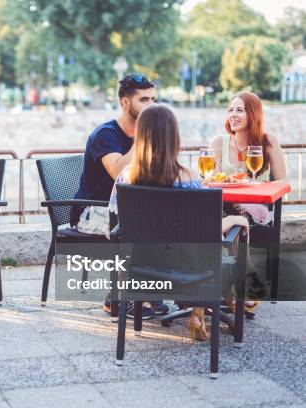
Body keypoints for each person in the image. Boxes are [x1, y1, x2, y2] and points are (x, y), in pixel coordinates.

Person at [108, 104, 249, 342]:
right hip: (188, 269)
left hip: (143, 268)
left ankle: (194, 313)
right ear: (174, 137)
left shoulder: (126, 177)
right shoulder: (188, 177)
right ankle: (198, 312)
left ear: (140, 136)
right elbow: (207, 229)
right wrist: (236, 219)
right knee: (210, 243)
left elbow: (117, 223)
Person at [70, 73, 162, 318]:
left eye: (153, 100)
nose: (150, 106)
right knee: (139, 225)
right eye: (144, 100)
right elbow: (119, 172)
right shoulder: (106, 134)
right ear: (125, 103)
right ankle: (119, 297)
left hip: (128, 207)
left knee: (166, 219)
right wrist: (143, 136)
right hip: (91, 210)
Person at [210, 91, 287, 226]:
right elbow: (211, 182)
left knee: (234, 220)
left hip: (254, 208)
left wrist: (259, 186)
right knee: (223, 217)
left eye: (239, 110)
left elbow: (283, 182)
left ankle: (228, 240)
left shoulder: (268, 142)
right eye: (230, 110)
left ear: (253, 114)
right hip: (223, 206)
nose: (233, 115)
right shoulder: (218, 143)